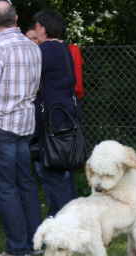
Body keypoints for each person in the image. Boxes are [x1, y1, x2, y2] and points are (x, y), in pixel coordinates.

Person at [0, 0, 42, 256]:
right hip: (26, 124)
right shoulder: (33, 47)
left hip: (2, 124)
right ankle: (35, 243)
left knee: (6, 187)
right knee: (26, 184)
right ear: (15, 20)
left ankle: (18, 248)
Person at [32, 9, 77, 216]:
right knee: (63, 175)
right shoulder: (64, 49)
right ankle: (67, 219)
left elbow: (31, 80)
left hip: (51, 122)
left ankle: (64, 223)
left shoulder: (46, 50)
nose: (35, 30)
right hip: (65, 118)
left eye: (37, 26)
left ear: (44, 27)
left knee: (53, 174)